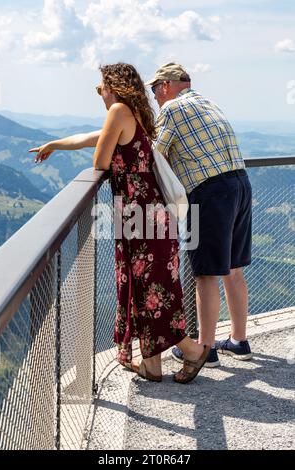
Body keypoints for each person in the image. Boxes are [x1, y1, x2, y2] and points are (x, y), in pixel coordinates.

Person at [29, 62, 212, 384]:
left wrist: (103, 149)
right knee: (148, 289)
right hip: (146, 215)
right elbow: (94, 137)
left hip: (141, 216)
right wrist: (55, 145)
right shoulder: (136, 114)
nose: (100, 94)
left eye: (101, 88)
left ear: (112, 86)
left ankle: (193, 351)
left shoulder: (118, 110)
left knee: (154, 290)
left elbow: (99, 159)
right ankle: (152, 366)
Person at [145, 62, 253, 369]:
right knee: (233, 268)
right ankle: (238, 340)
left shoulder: (172, 109)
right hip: (240, 184)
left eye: (155, 90)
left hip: (209, 192)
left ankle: (205, 349)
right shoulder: (207, 102)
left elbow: (156, 156)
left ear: (166, 85)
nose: (155, 98)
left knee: (205, 273)